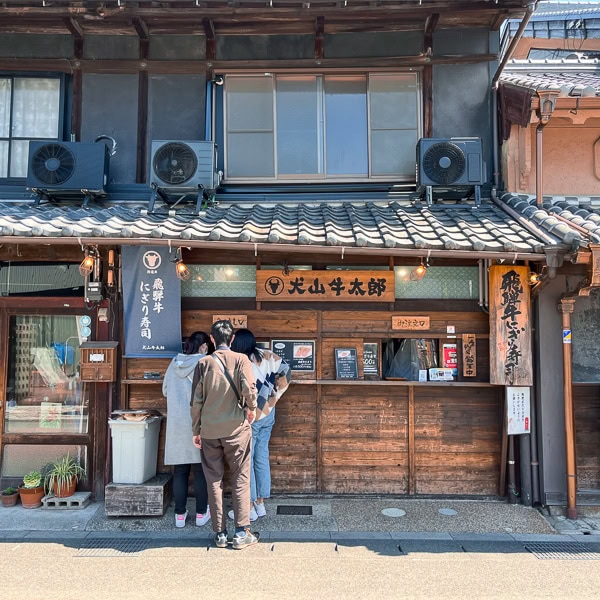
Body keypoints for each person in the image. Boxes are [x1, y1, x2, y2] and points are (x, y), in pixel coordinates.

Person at [191, 319, 259, 550]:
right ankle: (241, 533)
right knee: (241, 478)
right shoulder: (241, 360)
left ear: (212, 339)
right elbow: (250, 389)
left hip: (209, 431)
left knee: (214, 480)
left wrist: (196, 430)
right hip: (236, 430)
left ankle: (220, 534)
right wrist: (252, 408)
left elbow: (196, 401)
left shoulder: (203, 363)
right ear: (231, 339)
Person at [229, 329, 291, 520]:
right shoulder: (267, 355)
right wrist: (274, 395)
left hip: (250, 416)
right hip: (268, 414)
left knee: (247, 459)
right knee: (261, 456)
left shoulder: (239, 361)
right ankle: (261, 504)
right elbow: (286, 372)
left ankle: (249, 506)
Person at [163, 331, 213, 529]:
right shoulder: (205, 363)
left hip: (176, 424)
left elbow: (165, 390)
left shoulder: (174, 363)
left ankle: (180, 515)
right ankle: (202, 514)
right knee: (201, 470)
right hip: (198, 423)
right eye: (207, 346)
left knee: (180, 471)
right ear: (203, 347)